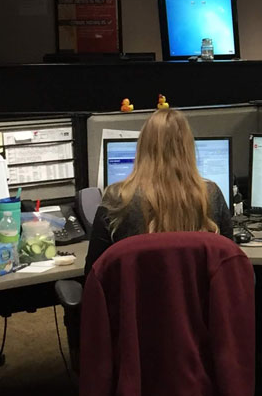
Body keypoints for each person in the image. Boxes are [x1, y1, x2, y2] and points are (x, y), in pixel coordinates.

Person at [84, 108, 233, 279]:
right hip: (200, 305)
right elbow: (231, 267)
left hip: (133, 305)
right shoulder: (211, 195)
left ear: (142, 147)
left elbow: (92, 274)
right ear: (189, 149)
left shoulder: (117, 198)